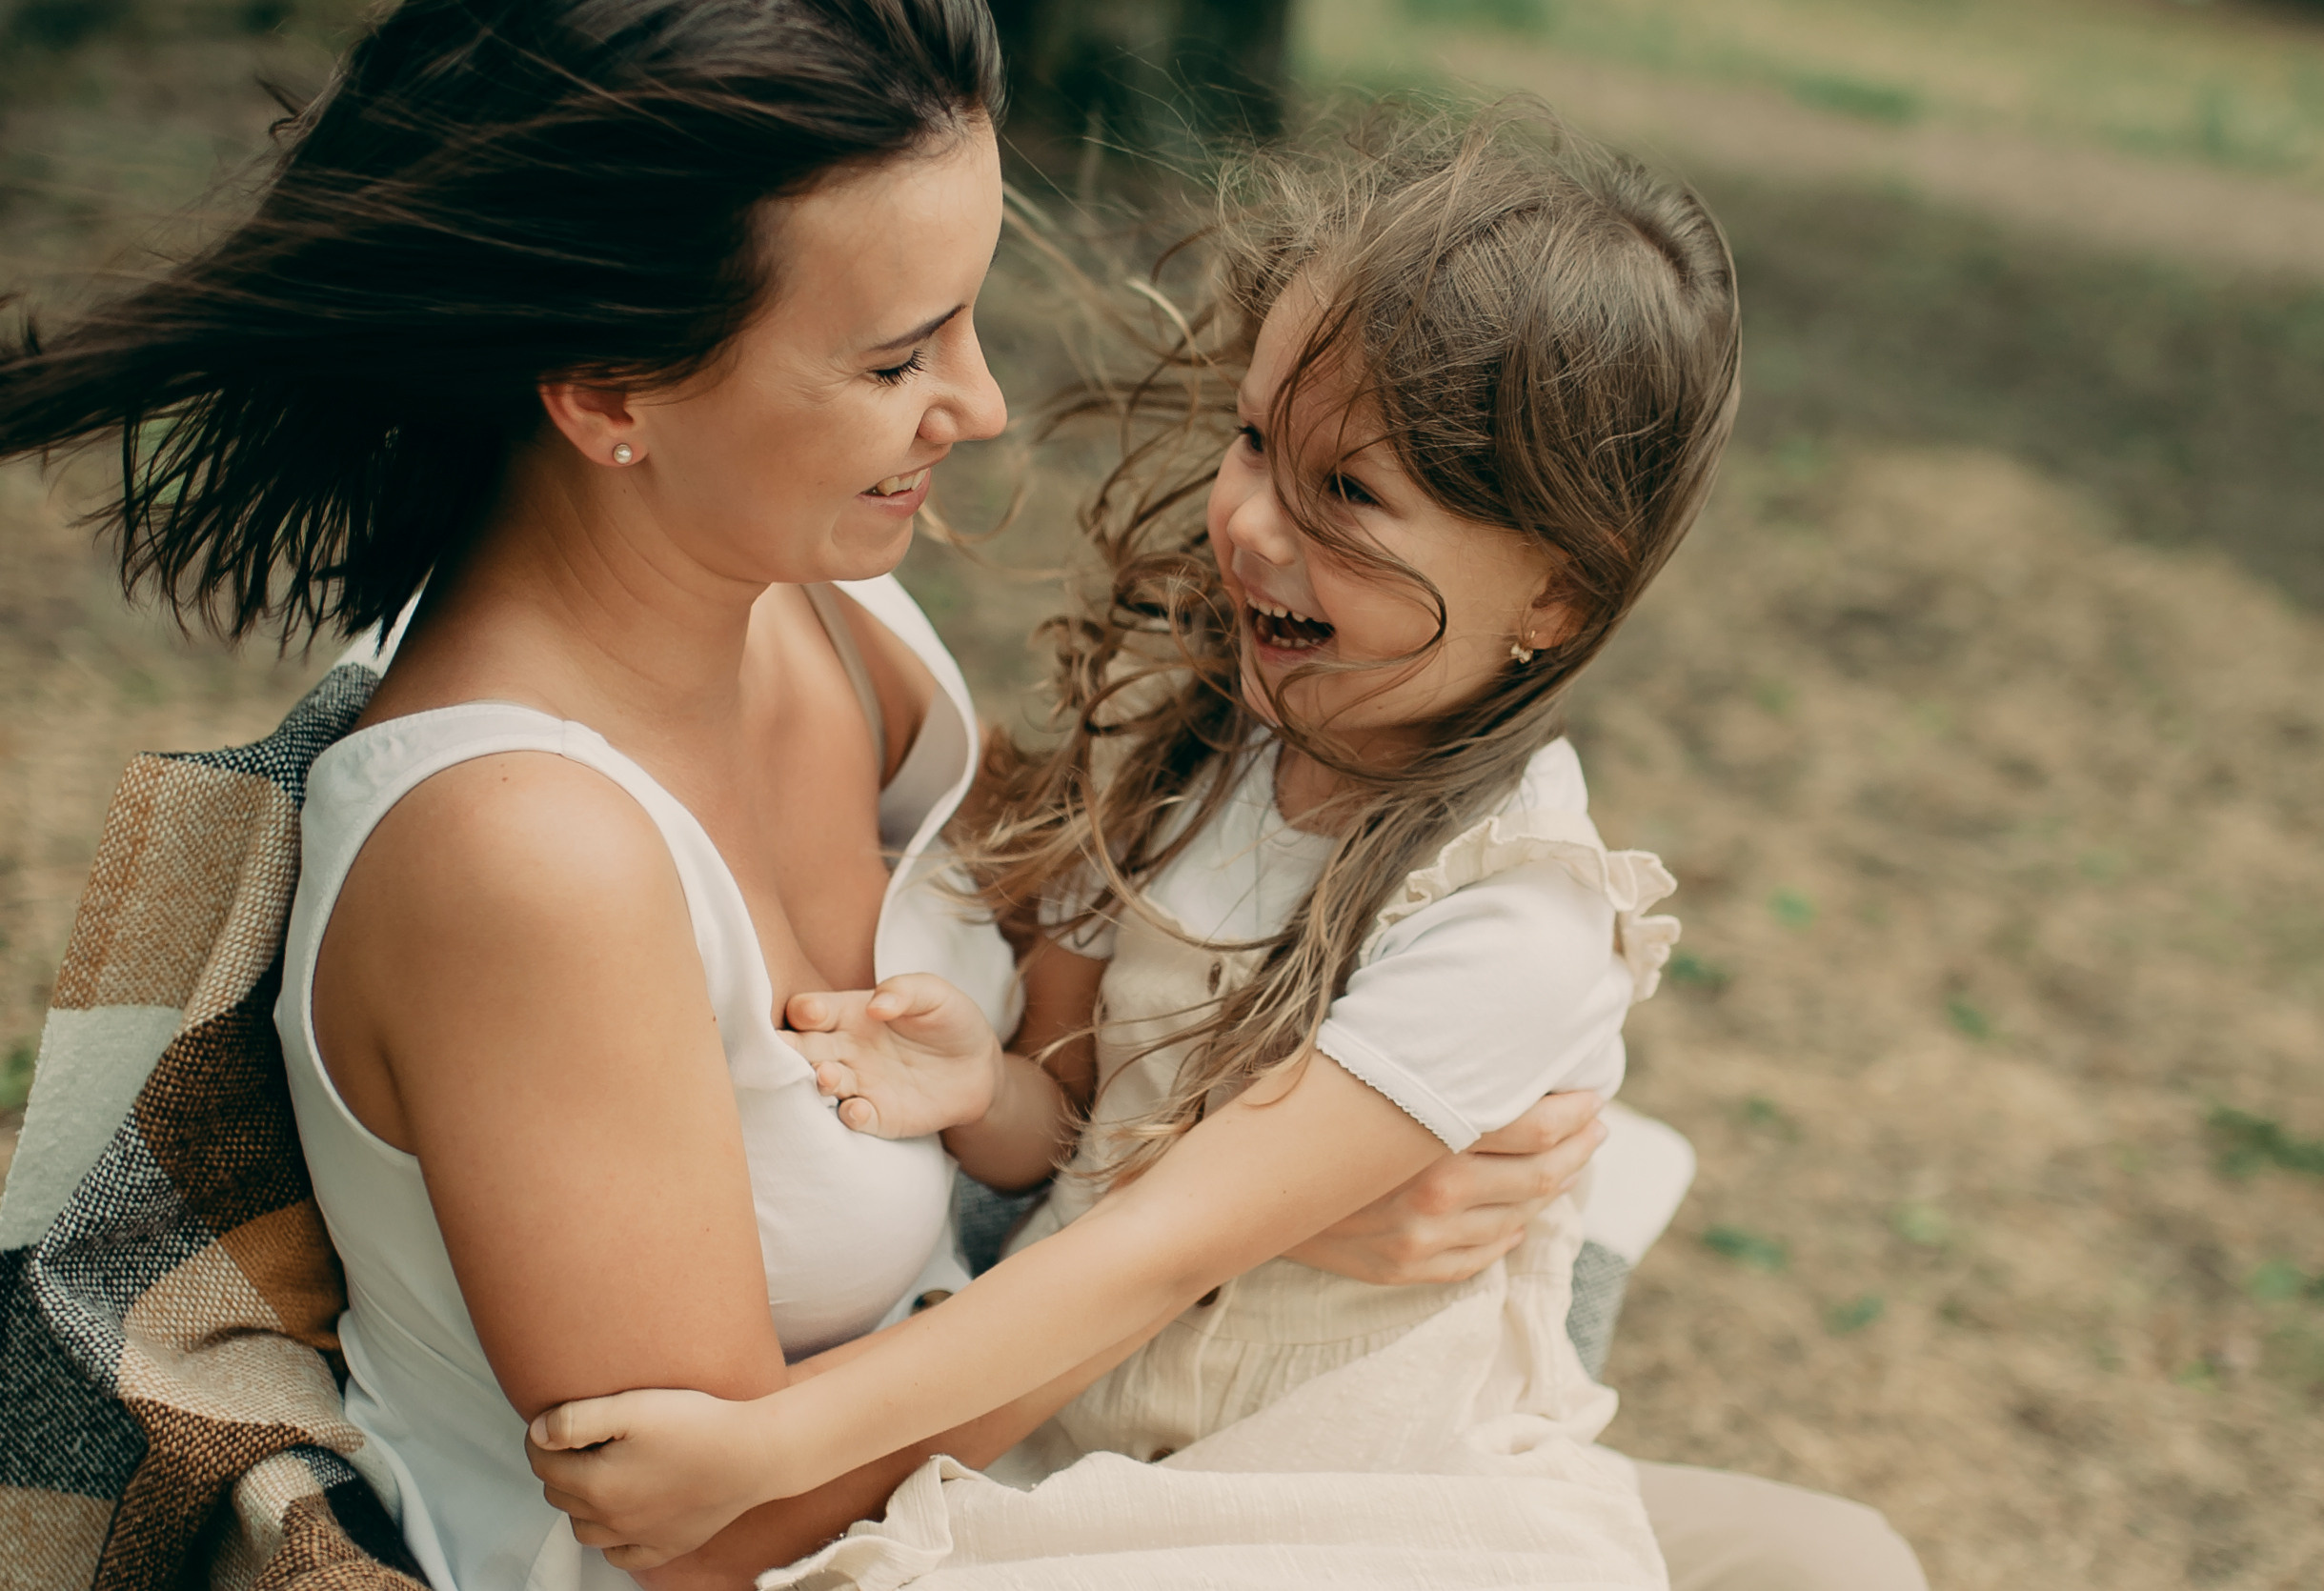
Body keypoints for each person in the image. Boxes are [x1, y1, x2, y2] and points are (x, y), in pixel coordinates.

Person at [0, 6, 1618, 1588]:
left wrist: (1317, 1157)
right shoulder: (524, 854)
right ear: (610, 392)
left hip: (1025, 1465)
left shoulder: (821, 613)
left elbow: (1062, 1031)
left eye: (966, 322)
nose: (978, 404)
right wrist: (1224, 1235)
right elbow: (714, 1534)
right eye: (900, 354)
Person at [526, 109, 1929, 1591]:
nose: (1252, 520)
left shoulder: (1511, 919)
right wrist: (983, 1086)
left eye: (1349, 497)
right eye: (1255, 438)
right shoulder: (1215, 746)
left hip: (1335, 1491)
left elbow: (1151, 1247)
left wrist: (763, 1447)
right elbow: (1076, 1149)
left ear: (1557, 596)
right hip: (1087, 1448)